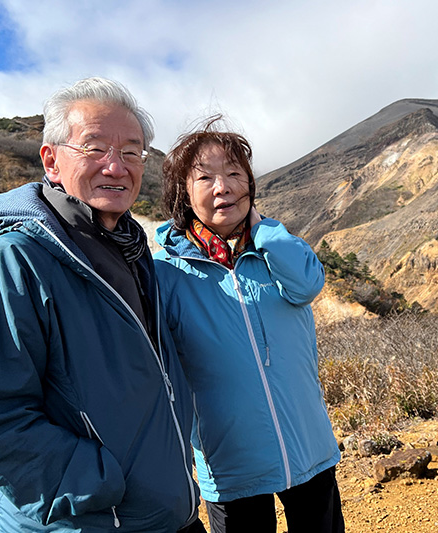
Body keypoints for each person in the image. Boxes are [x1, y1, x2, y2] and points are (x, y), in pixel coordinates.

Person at [0, 77, 205, 533]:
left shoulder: (132, 252)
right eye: (94, 148)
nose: (115, 166)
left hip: (171, 516)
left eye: (130, 152)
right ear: (51, 160)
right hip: (94, 521)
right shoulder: (11, 262)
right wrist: (101, 488)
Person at [153, 117, 345, 533]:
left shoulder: (275, 253)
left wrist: (265, 231)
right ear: (184, 195)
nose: (223, 187)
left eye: (235, 174)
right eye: (205, 178)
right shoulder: (166, 273)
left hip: (306, 446)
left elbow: (308, 283)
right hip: (231, 464)